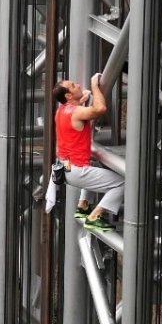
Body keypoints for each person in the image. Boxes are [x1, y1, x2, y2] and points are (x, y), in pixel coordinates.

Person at [52, 73, 124, 231]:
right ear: (69, 95)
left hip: (66, 169)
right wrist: (94, 86)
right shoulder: (75, 112)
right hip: (77, 171)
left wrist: (81, 99)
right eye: (73, 85)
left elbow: (77, 106)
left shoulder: (61, 110)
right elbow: (100, 108)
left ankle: (83, 206)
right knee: (123, 183)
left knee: (94, 165)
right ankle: (95, 216)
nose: (78, 84)